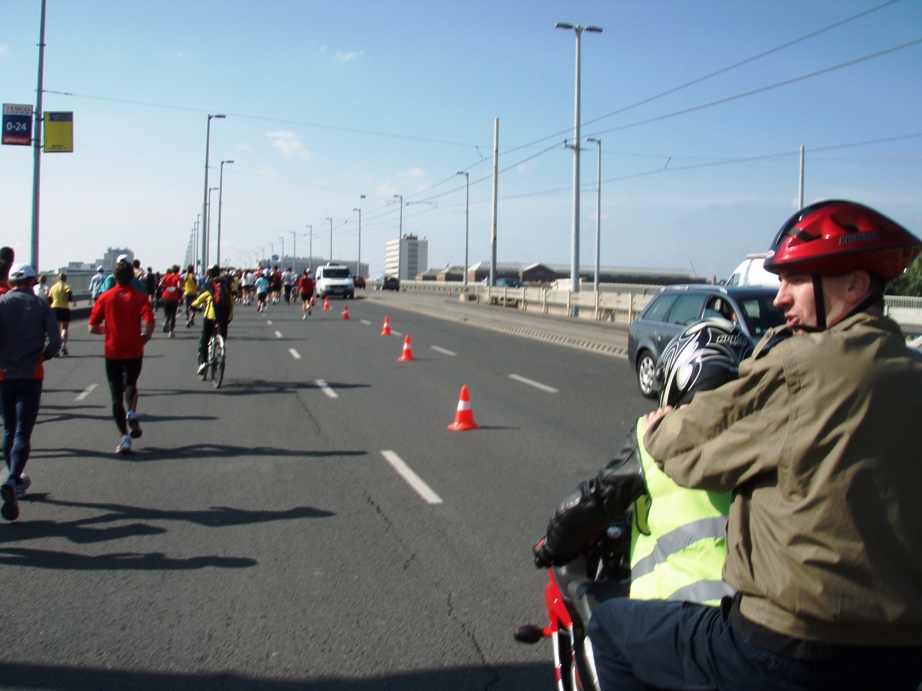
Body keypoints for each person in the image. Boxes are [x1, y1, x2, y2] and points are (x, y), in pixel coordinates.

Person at [588, 200, 922, 691]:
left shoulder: (800, 367)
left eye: (796, 279)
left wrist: (658, 426)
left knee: (611, 630)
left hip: (788, 646)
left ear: (854, 285)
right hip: (902, 658)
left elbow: (693, 446)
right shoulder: (913, 374)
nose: (781, 298)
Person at [534, 318, 750, 604]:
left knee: (599, 622)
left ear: (683, 375)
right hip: (761, 618)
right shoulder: (774, 436)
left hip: (676, 616)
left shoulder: (659, 435)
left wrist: (550, 547)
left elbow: (595, 500)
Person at [0, 263, 61, 521]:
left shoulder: (2, 303)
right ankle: (14, 478)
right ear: (32, 281)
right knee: (23, 431)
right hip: (31, 374)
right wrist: (44, 356)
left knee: (8, 429)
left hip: (4, 375)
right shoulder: (39, 304)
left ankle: (13, 476)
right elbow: (55, 341)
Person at [88, 259, 156, 454]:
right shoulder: (140, 297)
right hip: (134, 348)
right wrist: (145, 337)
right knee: (132, 383)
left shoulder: (105, 297)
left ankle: (124, 439)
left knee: (115, 396)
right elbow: (150, 321)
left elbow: (92, 327)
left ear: (115, 277)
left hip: (113, 350)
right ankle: (132, 412)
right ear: (132, 276)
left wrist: (107, 330)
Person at [191, 265, 233, 375]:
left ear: (209, 274)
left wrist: (193, 306)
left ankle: (203, 362)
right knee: (222, 334)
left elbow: (201, 297)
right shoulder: (225, 285)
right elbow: (231, 301)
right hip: (225, 315)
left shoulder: (209, 285)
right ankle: (221, 350)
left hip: (211, 315)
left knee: (205, 337)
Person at [46, 273, 75, 356]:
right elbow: (69, 298)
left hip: (55, 309)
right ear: (65, 279)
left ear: (58, 279)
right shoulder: (67, 287)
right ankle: (64, 345)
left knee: (57, 329)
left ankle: (57, 349)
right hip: (65, 309)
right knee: (65, 328)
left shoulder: (53, 287)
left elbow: (49, 301)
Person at [158, 265, 182, 337]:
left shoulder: (167, 276)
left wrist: (166, 286)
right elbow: (179, 286)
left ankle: (166, 322)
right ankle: (171, 331)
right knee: (173, 314)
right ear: (178, 271)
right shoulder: (178, 277)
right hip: (173, 297)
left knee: (167, 312)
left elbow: (160, 284)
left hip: (165, 296)